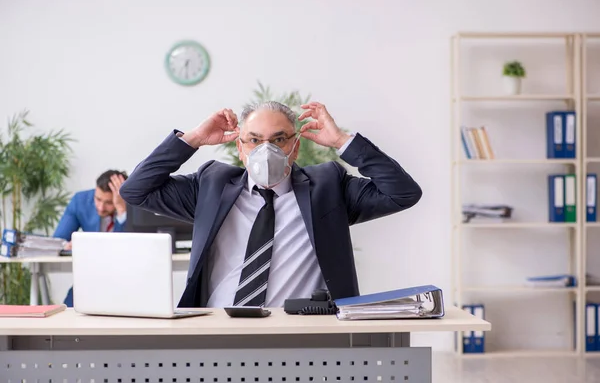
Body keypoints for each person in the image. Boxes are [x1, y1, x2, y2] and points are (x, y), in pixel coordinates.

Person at [119, 101, 422, 308]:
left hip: (302, 333)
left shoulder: (328, 187)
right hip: (219, 328)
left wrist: (343, 140)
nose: (265, 149)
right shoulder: (211, 184)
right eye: (253, 140)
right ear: (240, 148)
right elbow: (136, 190)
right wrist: (193, 139)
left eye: (278, 140)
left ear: (295, 146)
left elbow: (403, 192)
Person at [54, 169, 128, 306]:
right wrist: (67, 245)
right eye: (98, 199)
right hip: (90, 275)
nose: (100, 207)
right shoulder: (80, 201)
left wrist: (121, 209)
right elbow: (58, 239)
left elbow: (133, 244)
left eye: (109, 202)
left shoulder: (135, 203)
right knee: (68, 309)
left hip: (125, 277)